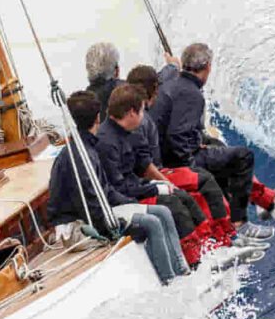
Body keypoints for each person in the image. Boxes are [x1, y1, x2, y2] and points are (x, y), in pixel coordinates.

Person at [150, 43, 275, 230]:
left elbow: (165, 78)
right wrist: (194, 159)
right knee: (240, 158)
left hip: (163, 154)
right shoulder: (192, 95)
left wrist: (171, 65)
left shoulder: (168, 81)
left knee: (219, 146)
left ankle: (266, 200)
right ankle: (248, 220)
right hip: (178, 160)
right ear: (208, 66)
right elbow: (177, 136)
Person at [47, 90, 190, 282]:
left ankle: (183, 271)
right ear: (98, 118)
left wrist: (133, 203)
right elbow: (92, 207)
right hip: (78, 227)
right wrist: (118, 226)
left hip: (94, 213)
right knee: (152, 222)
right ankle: (169, 281)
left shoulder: (86, 149)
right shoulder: (82, 156)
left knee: (162, 211)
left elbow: (105, 192)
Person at [95, 83, 214, 265]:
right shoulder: (106, 142)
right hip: (123, 199)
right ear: (131, 113)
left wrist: (164, 184)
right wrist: (153, 190)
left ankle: (210, 246)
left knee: (183, 196)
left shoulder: (130, 132)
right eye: (142, 112)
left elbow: (142, 166)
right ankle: (194, 262)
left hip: (136, 187)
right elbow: (118, 188)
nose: (143, 117)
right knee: (174, 205)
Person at [126, 64, 242, 247]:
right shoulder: (141, 121)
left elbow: (164, 74)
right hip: (154, 176)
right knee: (204, 183)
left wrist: (172, 65)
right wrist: (167, 182)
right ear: (155, 89)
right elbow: (145, 165)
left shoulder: (136, 111)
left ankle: (227, 234)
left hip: (157, 170)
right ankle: (219, 242)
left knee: (208, 170)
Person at [85, 41, 181, 122]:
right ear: (117, 70)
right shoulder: (123, 90)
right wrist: (173, 66)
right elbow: (150, 81)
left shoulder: (83, 102)